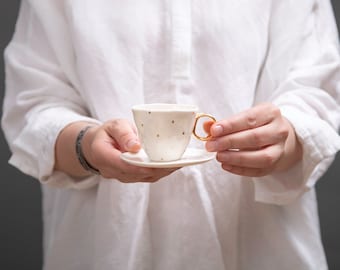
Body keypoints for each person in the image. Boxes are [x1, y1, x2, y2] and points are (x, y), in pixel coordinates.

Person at [2, 0, 340, 269]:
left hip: (263, 249)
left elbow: (317, 88)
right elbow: (33, 104)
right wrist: (86, 146)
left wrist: (287, 138)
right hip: (105, 249)